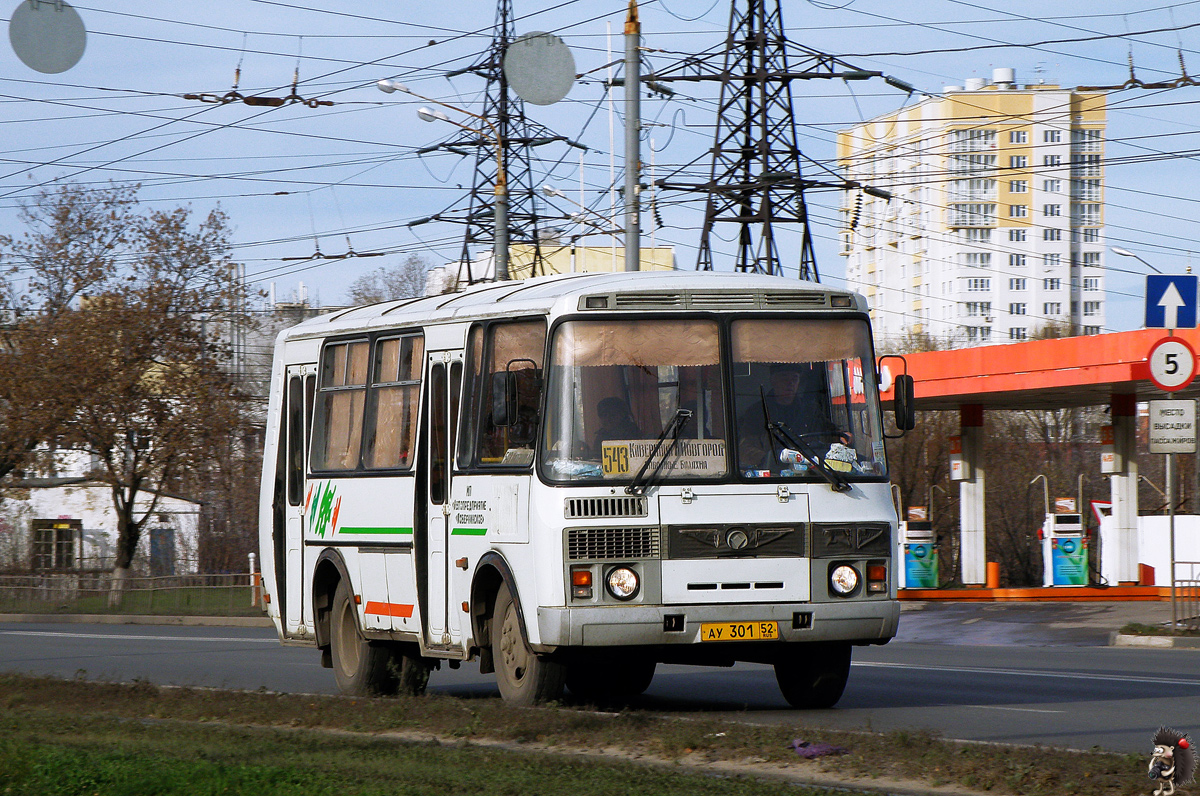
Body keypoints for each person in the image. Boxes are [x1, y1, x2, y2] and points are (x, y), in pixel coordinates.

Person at [737, 362, 847, 470]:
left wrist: (841, 436)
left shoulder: (810, 410)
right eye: (784, 378)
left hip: (810, 470)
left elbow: (828, 431)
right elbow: (745, 448)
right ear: (773, 381)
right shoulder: (757, 412)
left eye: (795, 378)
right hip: (774, 475)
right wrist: (769, 459)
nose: (790, 383)